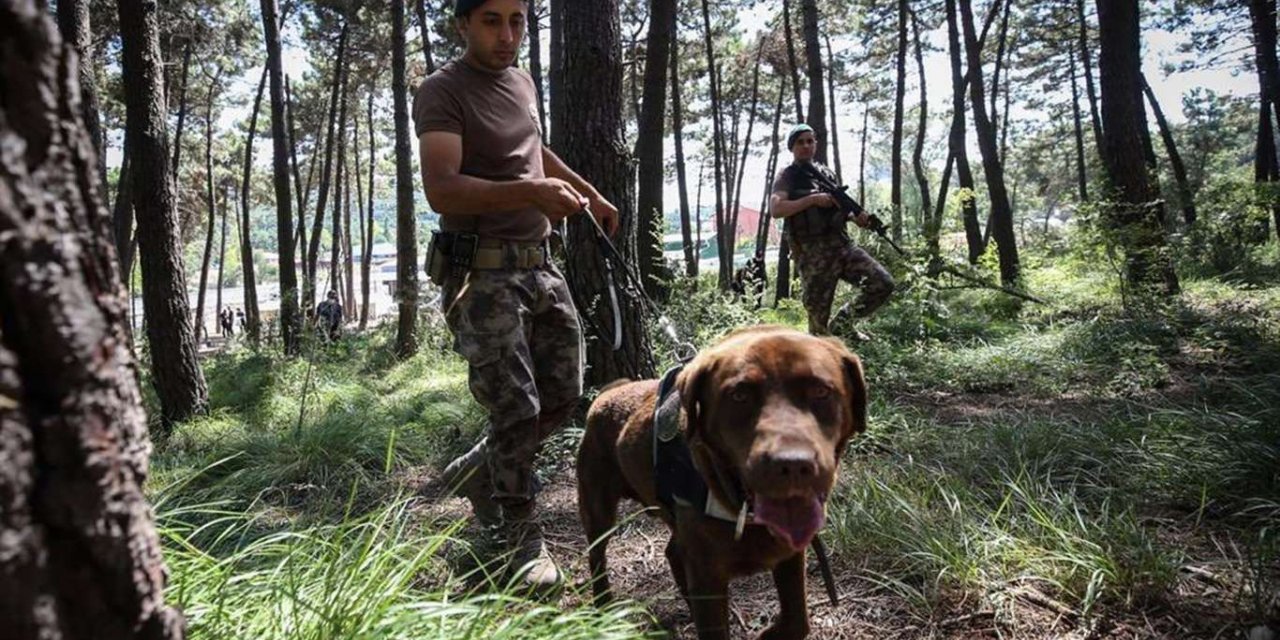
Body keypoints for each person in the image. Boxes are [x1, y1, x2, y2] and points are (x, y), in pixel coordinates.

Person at [413, 0, 619, 594]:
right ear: (461, 25)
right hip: (481, 275)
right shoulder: (442, 91)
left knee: (563, 394)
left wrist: (588, 192)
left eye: (518, 20)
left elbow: (534, 148)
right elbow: (442, 188)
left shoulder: (522, 80)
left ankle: (479, 470)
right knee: (516, 408)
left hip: (540, 266)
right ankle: (518, 535)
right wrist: (532, 192)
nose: (507, 35)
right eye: (491, 20)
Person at [769, 124, 894, 339]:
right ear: (792, 147)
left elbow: (839, 208)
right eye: (800, 142)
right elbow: (776, 209)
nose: (806, 146)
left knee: (882, 283)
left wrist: (856, 218)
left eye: (810, 140)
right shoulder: (787, 175)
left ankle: (844, 323)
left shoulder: (826, 174)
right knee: (818, 325)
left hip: (843, 246)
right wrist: (813, 199)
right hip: (813, 253)